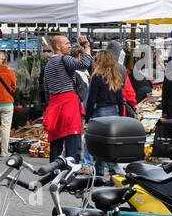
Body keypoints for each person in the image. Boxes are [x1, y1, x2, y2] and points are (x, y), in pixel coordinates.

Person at [42, 32, 91, 162]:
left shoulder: (48, 65)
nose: (70, 46)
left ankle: (54, 173)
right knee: (73, 146)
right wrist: (86, 47)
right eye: (67, 43)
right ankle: (70, 174)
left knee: (56, 145)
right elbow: (84, 64)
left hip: (54, 107)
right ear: (58, 47)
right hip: (69, 106)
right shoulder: (64, 59)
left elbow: (46, 89)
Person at [84, 50, 129, 176]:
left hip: (100, 113)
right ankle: (113, 171)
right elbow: (121, 100)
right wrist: (121, 115)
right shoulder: (116, 77)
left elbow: (92, 99)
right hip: (114, 112)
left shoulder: (97, 77)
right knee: (110, 144)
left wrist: (88, 117)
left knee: (99, 144)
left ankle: (99, 173)